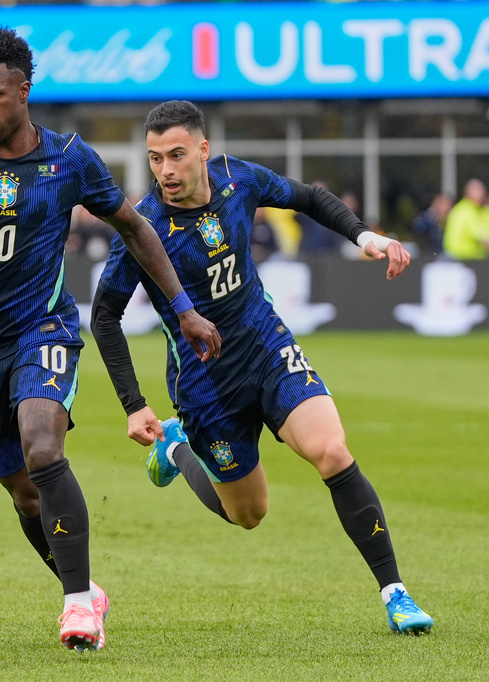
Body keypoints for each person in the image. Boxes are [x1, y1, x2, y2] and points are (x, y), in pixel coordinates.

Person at [0, 29, 221, 653]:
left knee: (43, 445)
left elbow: (137, 231)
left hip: (45, 328)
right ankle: (86, 587)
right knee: (24, 491)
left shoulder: (69, 159)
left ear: (23, 91)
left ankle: (75, 610)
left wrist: (183, 308)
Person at [90, 100, 433, 635]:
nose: (166, 171)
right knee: (248, 513)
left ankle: (397, 595)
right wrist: (134, 405)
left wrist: (367, 237)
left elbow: (310, 198)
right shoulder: (142, 227)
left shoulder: (237, 178)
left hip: (266, 346)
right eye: (155, 159)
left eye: (177, 155)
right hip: (205, 385)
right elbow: (104, 317)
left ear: (203, 150)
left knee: (332, 451)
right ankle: (175, 448)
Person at [443, 178, 489, 259]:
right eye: (476, 190)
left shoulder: (487, 212)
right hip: (457, 258)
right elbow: (481, 237)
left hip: (477, 258)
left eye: (482, 190)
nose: (481, 193)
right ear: (467, 192)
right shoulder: (464, 209)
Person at [411, 192, 453, 257]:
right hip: (427, 255)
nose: (444, 208)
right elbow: (417, 229)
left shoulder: (452, 220)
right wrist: (431, 215)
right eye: (441, 204)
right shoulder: (428, 218)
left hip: (447, 256)